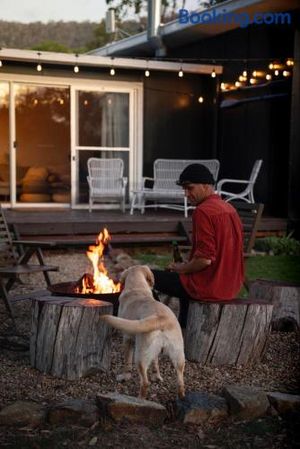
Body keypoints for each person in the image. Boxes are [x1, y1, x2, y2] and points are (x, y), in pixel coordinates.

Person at [152, 163, 245, 328]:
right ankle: (184, 325)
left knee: (144, 276)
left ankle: (156, 326)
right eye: (184, 189)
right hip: (231, 285)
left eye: (190, 188)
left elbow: (205, 260)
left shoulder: (202, 212)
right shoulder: (229, 208)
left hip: (209, 287)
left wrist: (182, 268)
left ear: (206, 186)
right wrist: (186, 267)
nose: (186, 194)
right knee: (183, 280)